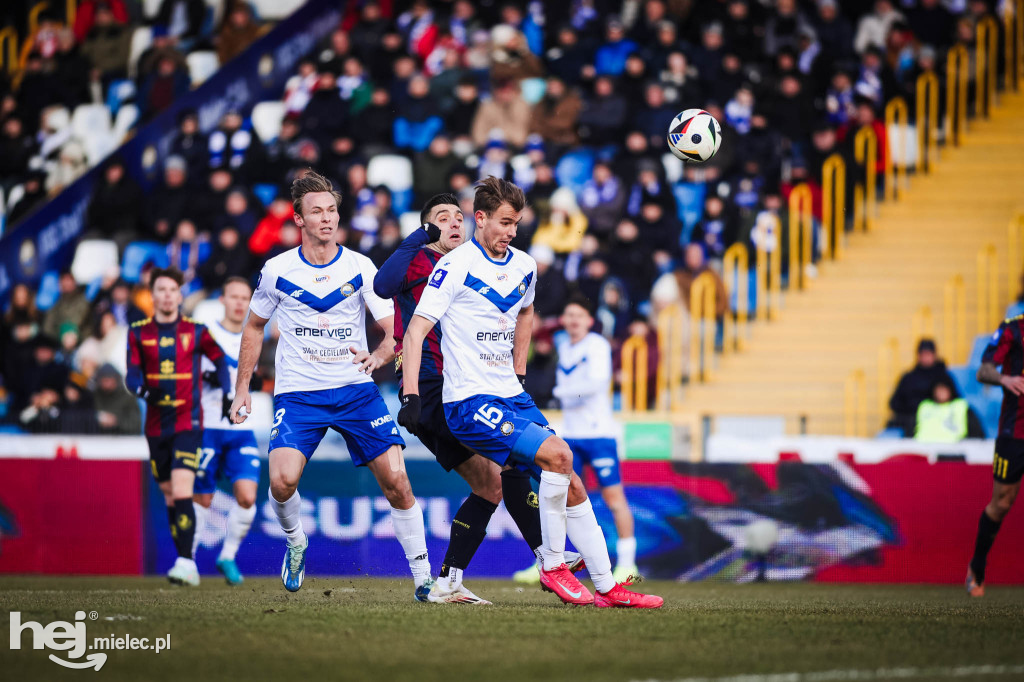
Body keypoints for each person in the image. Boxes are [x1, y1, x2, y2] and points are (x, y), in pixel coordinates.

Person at [398, 176, 662, 608]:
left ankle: (608, 587)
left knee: (572, 481)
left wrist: (518, 372)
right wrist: (410, 395)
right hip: (468, 402)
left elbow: (526, 311)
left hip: (509, 394)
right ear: (479, 219)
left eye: (516, 224)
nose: (510, 232)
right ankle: (553, 565)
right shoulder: (454, 265)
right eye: (503, 222)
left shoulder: (524, 265)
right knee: (558, 456)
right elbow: (414, 332)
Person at [228, 171, 432, 597]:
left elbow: (392, 330)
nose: (327, 218)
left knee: (398, 481)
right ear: (298, 219)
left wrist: (379, 356)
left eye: (332, 210)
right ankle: (296, 542)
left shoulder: (360, 266)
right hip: (299, 394)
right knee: (281, 482)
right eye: (316, 211)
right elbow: (253, 329)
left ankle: (423, 578)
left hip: (356, 391)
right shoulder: (277, 270)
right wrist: (242, 388)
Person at [373, 193, 582, 605]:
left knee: (497, 478)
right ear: (427, 227)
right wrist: (419, 236)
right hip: (431, 386)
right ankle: (544, 557)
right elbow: (381, 285)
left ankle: (455, 579)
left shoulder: (478, 264)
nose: (453, 223)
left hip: (474, 386)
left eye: (458, 216)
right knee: (499, 475)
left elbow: (519, 314)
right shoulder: (418, 261)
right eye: (441, 219)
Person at [125, 268, 232, 587]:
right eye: (162, 289)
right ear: (153, 295)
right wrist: (145, 392)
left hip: (189, 422)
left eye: (173, 289)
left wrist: (227, 394)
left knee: (183, 489)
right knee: (171, 496)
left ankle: (186, 562)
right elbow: (131, 377)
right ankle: (185, 559)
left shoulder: (197, 331)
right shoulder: (137, 333)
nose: (168, 294)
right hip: (157, 427)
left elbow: (222, 360)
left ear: (180, 295)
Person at [521, 296, 639, 582]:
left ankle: (627, 563)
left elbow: (596, 384)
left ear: (589, 320)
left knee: (614, 498)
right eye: (569, 315)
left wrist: (559, 392)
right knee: (557, 498)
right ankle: (550, 560)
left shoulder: (596, 345)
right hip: (571, 434)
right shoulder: (565, 345)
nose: (573, 320)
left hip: (598, 434)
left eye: (579, 315)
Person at [193, 278, 262, 586]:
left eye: (244, 297)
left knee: (247, 496)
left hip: (241, 429)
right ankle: (188, 559)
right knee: (203, 498)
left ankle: (227, 555)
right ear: (222, 299)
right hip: (208, 427)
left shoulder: (254, 335)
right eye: (233, 296)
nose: (239, 303)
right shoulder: (206, 335)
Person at [967, 316, 1024, 596]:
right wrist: (1005, 378)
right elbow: (983, 371)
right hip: (1015, 433)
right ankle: (977, 566)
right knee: (1002, 503)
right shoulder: (1013, 328)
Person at [888, 339, 958, 436]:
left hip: (938, 419)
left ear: (934, 355)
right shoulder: (908, 377)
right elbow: (894, 403)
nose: (926, 357)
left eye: (928, 354)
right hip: (911, 418)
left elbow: (955, 400)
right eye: (923, 354)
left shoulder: (943, 377)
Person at [913, 378, 984, 443]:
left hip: (955, 450)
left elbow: (976, 433)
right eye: (938, 389)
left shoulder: (960, 406)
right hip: (924, 448)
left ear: (950, 390)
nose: (941, 392)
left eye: (944, 389)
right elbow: (913, 429)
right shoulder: (925, 406)